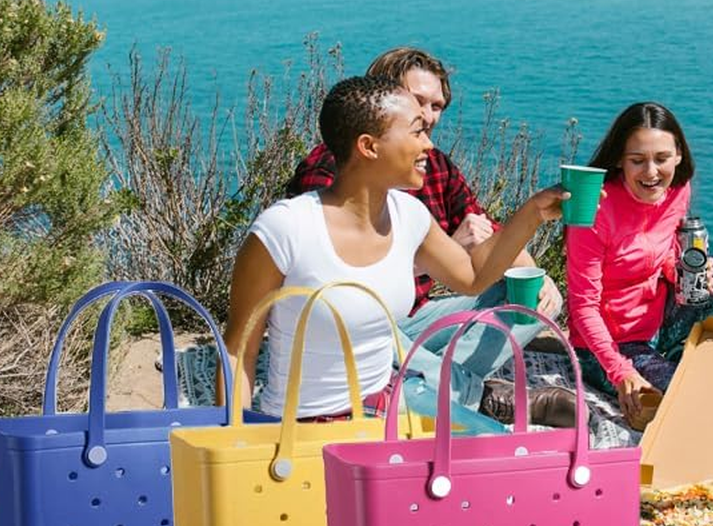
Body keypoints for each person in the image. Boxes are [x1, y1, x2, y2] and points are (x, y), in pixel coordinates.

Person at [224, 74, 565, 422]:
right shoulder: (284, 228)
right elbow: (239, 350)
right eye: (416, 131)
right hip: (303, 425)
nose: (428, 145)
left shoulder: (409, 215)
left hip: (385, 408)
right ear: (369, 146)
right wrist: (236, 446)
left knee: (494, 457)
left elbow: (474, 277)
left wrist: (533, 213)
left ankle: (453, 393)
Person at [566, 102, 713, 426]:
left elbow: (666, 254)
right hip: (613, 346)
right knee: (690, 394)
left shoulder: (677, 190)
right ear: (619, 161)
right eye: (637, 160)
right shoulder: (594, 211)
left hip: (662, 317)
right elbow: (582, 307)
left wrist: (688, 273)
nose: (652, 172)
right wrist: (620, 371)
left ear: (679, 155)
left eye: (661, 158)